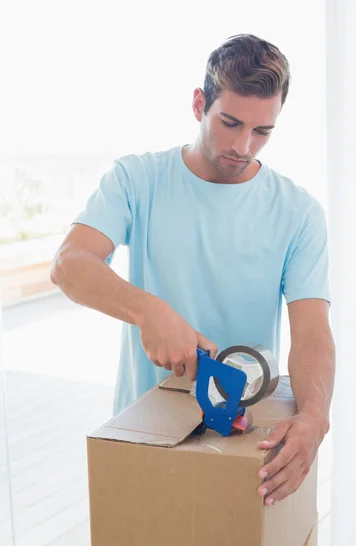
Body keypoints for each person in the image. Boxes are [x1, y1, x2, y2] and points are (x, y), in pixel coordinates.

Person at [51, 33, 335, 507]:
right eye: (230, 123)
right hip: (144, 435)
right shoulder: (136, 179)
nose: (244, 146)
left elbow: (312, 334)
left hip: (243, 444)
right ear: (199, 103)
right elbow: (69, 265)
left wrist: (315, 416)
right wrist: (148, 311)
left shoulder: (299, 212)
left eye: (262, 131)